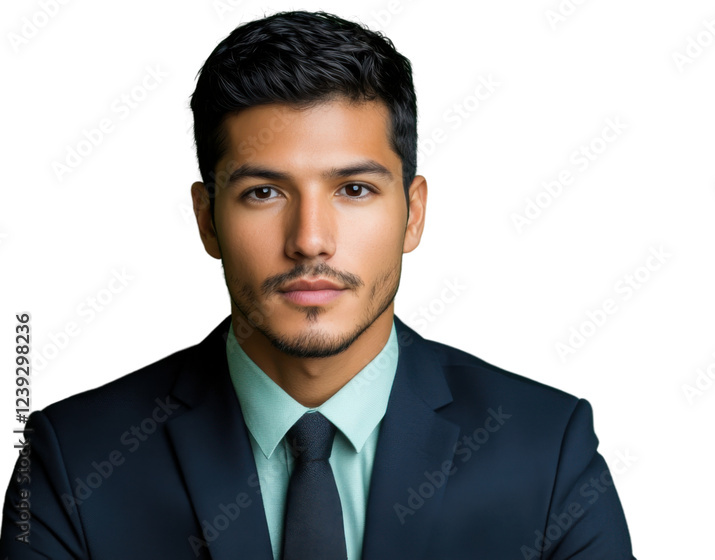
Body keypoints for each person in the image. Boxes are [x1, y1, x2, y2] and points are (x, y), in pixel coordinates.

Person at [0, 10, 634, 559]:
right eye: (264, 192)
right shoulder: (72, 462)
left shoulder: (546, 450)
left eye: (354, 189)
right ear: (208, 220)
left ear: (412, 213)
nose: (309, 239)